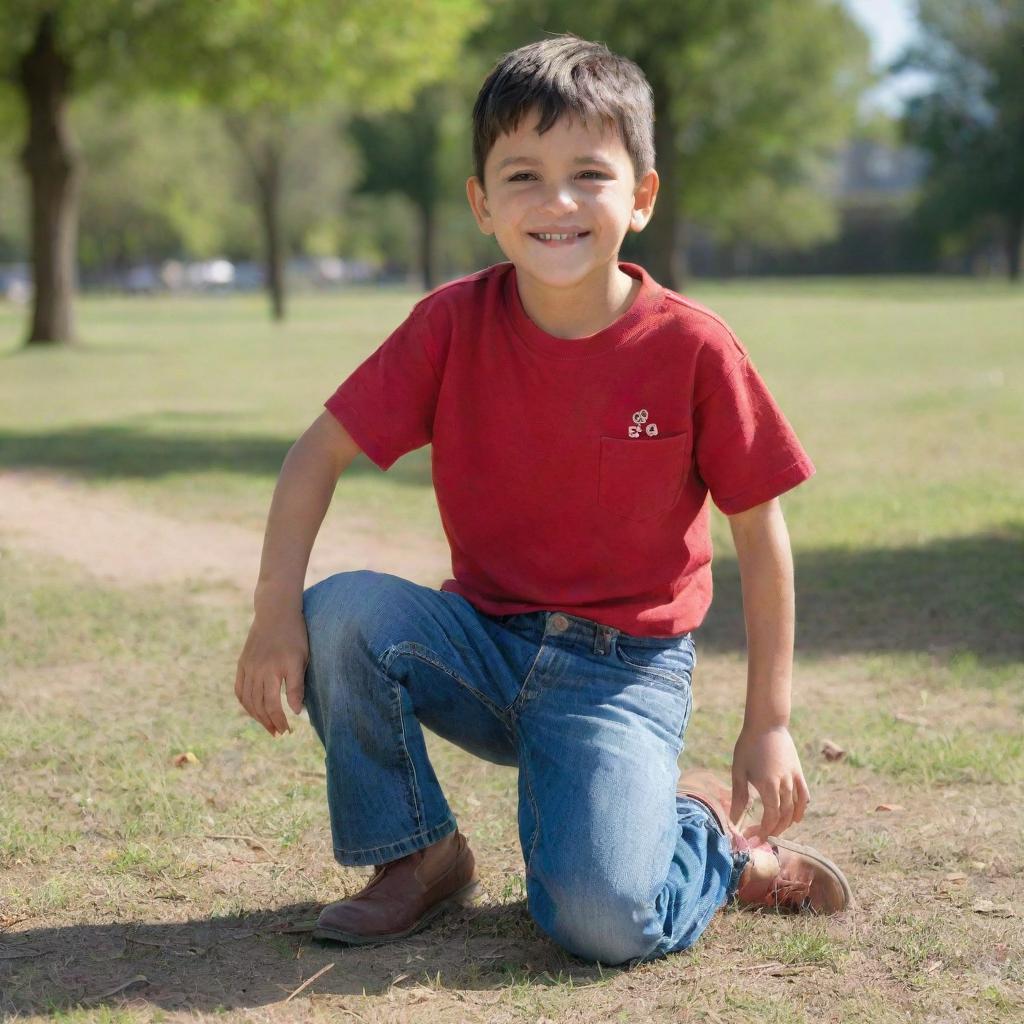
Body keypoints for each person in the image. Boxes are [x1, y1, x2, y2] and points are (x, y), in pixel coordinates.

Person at [234, 34, 853, 967]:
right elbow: (314, 455)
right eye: (522, 175)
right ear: (482, 203)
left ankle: (705, 841)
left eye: (589, 175)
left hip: (624, 678)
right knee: (344, 613)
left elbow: (761, 536)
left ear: (640, 197)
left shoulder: (692, 348)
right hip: (482, 642)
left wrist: (767, 721)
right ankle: (419, 856)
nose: (556, 202)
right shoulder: (450, 325)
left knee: (601, 924)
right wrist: (274, 614)